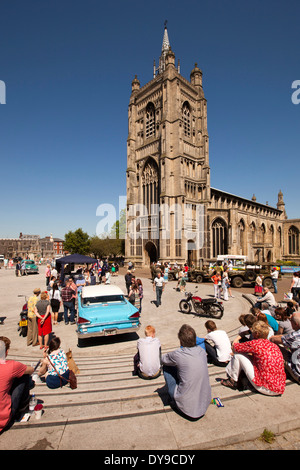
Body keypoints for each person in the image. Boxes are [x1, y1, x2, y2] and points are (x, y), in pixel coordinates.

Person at [221, 321, 286, 396]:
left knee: (238, 355)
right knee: (248, 356)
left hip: (266, 388)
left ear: (257, 334)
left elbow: (234, 347)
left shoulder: (255, 344)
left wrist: (239, 336)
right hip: (279, 387)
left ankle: (232, 381)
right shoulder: (273, 346)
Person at [162, 324, 211, 420]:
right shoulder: (201, 351)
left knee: (167, 366)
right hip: (204, 405)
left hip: (186, 408)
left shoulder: (178, 354)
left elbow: (163, 359)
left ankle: (173, 399)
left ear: (180, 340)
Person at [0, 337, 35, 433]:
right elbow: (31, 370)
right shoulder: (11, 366)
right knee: (24, 376)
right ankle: (22, 409)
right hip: (3, 419)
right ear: (6, 352)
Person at [270, 312, 300, 384]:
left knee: (276, 348)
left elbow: (273, 340)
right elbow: (287, 337)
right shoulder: (294, 335)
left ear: (296, 324)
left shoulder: (294, 336)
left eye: (291, 321)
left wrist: (271, 337)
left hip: (298, 373)